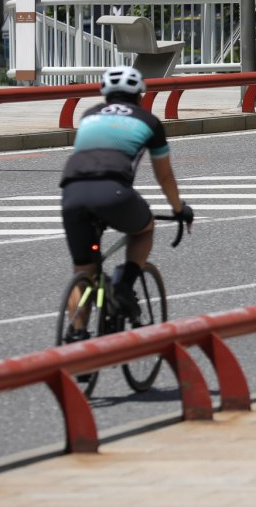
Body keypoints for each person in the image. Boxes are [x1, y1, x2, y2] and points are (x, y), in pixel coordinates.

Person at [60, 66, 193, 333]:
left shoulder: (89, 115)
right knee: (144, 228)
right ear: (139, 96)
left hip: (72, 193)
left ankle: (76, 340)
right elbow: (164, 175)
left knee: (83, 272)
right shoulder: (149, 121)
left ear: (104, 94)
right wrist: (179, 209)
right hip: (113, 193)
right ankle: (124, 285)